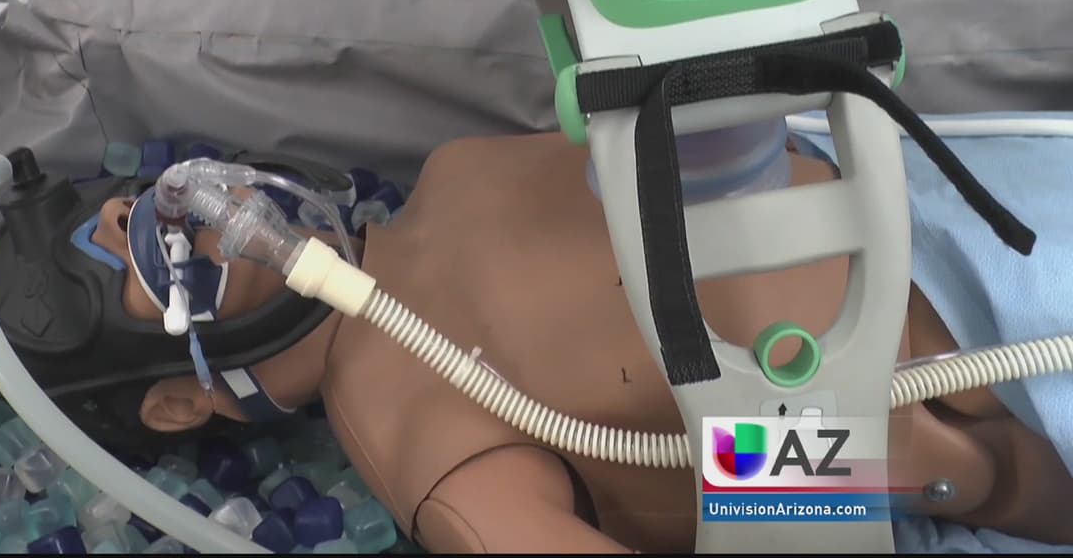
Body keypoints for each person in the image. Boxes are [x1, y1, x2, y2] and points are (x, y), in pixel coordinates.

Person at [78, 129, 1073, 554]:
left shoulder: (455, 168)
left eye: (117, 205)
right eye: (114, 251)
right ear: (178, 401)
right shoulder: (420, 438)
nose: (136, 212)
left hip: (957, 194)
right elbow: (741, 458)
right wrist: (953, 471)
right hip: (1000, 384)